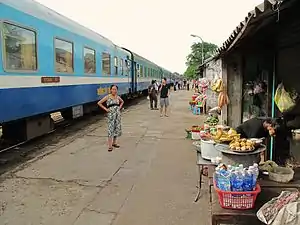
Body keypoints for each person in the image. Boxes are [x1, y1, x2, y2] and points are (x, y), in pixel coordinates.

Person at [97, 85, 124, 152]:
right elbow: (99, 103)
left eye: (115, 89)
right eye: (113, 89)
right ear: (110, 90)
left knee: (116, 128)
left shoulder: (117, 97)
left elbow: (122, 102)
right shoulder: (108, 97)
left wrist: (119, 108)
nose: (114, 90)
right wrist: (106, 109)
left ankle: (114, 143)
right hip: (111, 115)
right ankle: (110, 145)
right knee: (110, 128)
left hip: (117, 115)